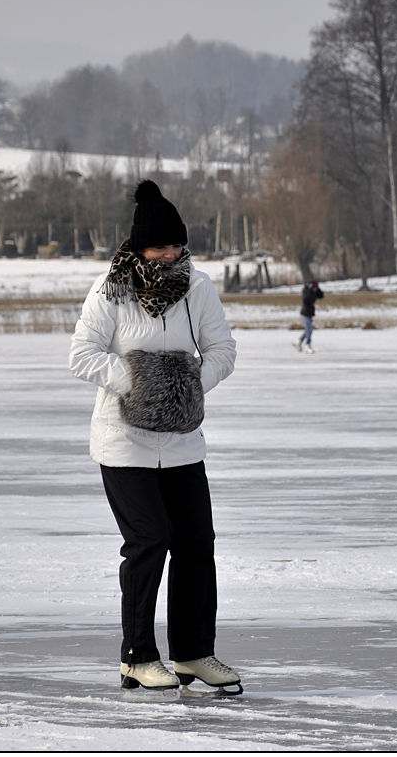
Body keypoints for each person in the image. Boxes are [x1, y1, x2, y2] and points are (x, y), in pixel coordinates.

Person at [70, 179, 241, 694]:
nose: (169, 255)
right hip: (124, 443)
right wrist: (142, 384)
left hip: (183, 444)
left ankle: (192, 653)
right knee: (150, 542)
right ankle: (137, 657)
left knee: (196, 544)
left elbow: (223, 351)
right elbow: (82, 357)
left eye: (175, 245)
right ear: (139, 246)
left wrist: (188, 387)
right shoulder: (110, 289)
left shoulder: (199, 286)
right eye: (159, 245)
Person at [292, 279, 324, 354]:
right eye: (315, 287)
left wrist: (318, 290)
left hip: (310, 313)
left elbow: (321, 296)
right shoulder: (306, 291)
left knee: (308, 330)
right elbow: (306, 299)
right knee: (309, 329)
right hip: (304, 314)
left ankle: (298, 341)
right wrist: (311, 290)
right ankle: (307, 345)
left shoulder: (314, 291)